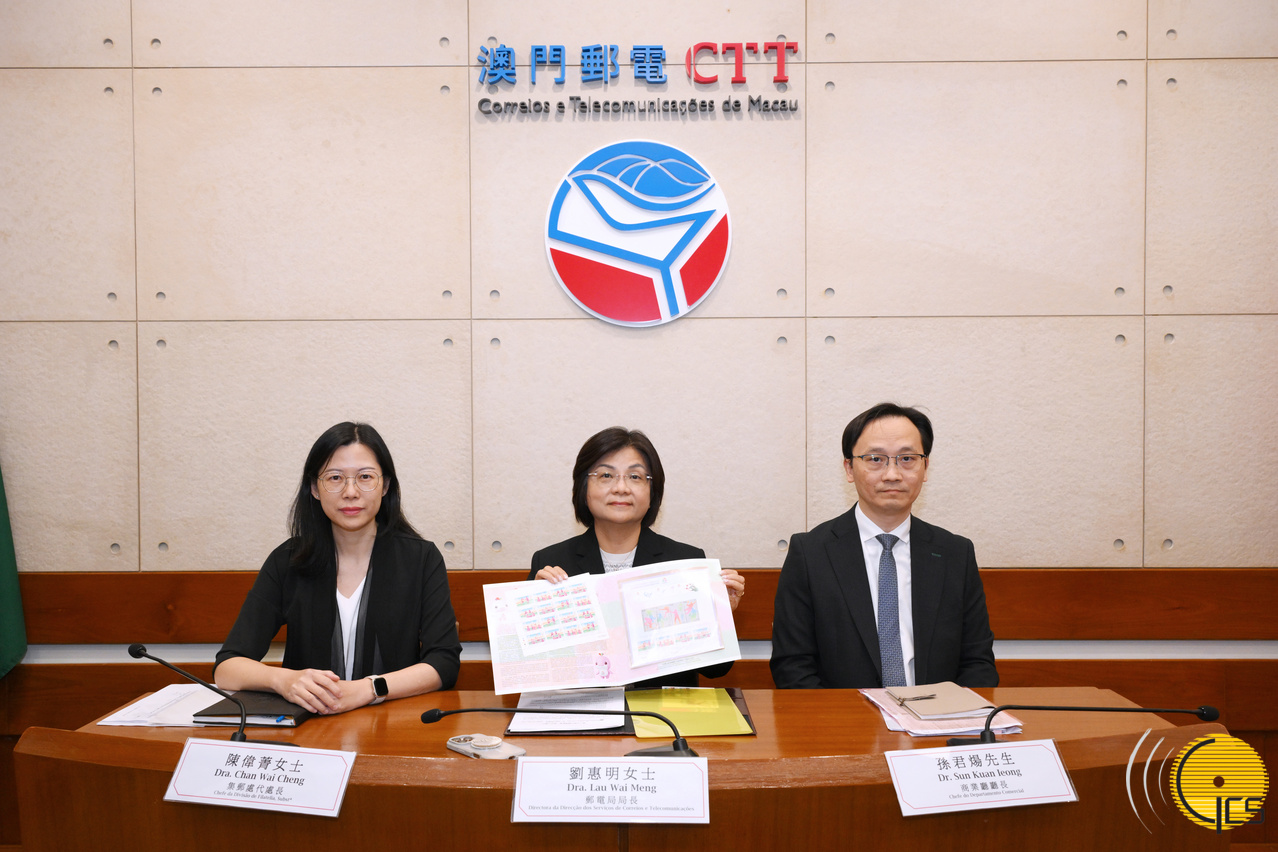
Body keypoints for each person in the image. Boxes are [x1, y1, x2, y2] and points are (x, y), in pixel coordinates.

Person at [214, 422, 461, 714]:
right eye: (335, 478)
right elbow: (227, 667)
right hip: (309, 729)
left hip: (392, 724)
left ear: (385, 486)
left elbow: (443, 662)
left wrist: (368, 689)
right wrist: (284, 680)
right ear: (314, 489)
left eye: (365, 477)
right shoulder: (288, 561)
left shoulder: (421, 559)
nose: (350, 492)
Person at [770, 403, 997, 689]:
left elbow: (977, 663)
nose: (892, 474)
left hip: (938, 714)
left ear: (925, 467)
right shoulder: (810, 553)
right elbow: (792, 666)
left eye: (907, 459)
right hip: (845, 715)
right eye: (876, 459)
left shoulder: (955, 554)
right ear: (849, 468)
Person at [528, 427, 745, 688]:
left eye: (635, 476)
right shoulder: (551, 563)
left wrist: (721, 614)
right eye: (606, 475)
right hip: (585, 710)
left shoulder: (684, 561)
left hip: (660, 711)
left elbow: (716, 670)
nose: (621, 488)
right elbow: (531, 672)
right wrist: (534, 615)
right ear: (583, 488)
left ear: (653, 491)